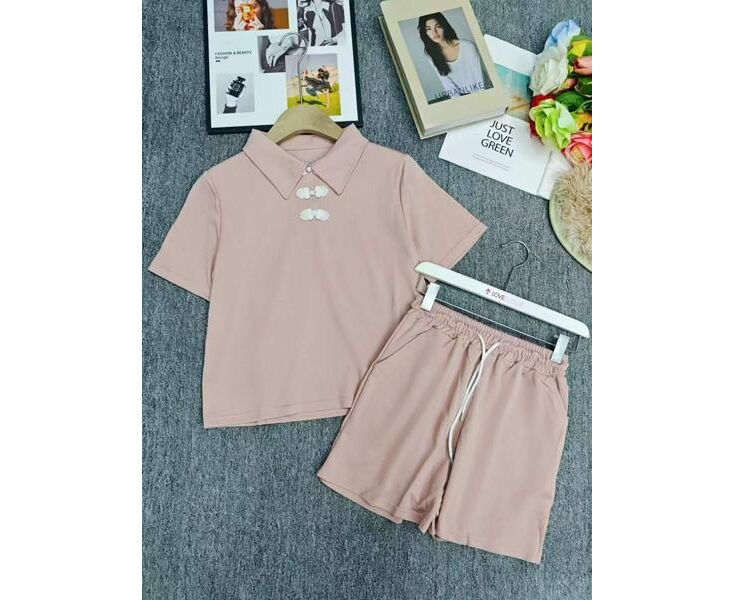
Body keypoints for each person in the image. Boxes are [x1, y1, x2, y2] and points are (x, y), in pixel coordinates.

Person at [417, 13, 486, 99]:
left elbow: (480, 79)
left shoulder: (468, 47)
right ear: (425, 32)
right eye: (428, 29)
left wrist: (480, 100)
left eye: (438, 26)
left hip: (482, 93)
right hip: (461, 97)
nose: (434, 32)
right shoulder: (431, 55)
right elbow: (447, 83)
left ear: (444, 26)